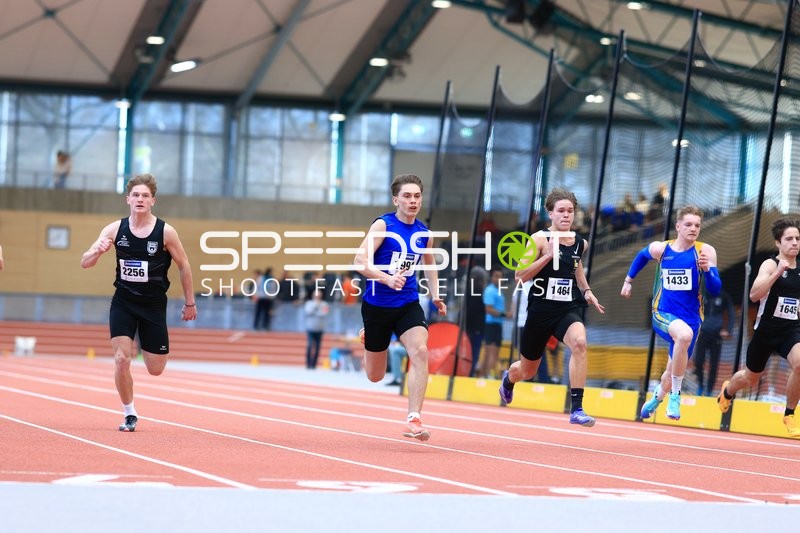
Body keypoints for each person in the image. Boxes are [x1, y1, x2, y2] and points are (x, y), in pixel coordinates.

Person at [80, 173, 197, 432]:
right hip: (123, 301)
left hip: (153, 305)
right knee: (122, 359)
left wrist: (190, 302)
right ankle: (129, 413)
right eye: (136, 195)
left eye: (145, 195)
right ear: (128, 200)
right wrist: (96, 252)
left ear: (152, 201)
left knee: (156, 368)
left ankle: (152, 348)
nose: (140, 199)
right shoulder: (114, 229)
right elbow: (85, 262)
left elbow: (184, 265)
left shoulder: (165, 232)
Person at [499, 188, 605, 427]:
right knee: (527, 371)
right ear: (551, 213)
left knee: (579, 343)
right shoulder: (538, 239)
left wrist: (587, 291)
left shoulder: (580, 243)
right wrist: (546, 257)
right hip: (540, 311)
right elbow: (520, 275)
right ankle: (508, 379)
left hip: (566, 309)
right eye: (561, 211)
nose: (566, 215)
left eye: (570, 211)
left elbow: (575, 269)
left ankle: (576, 408)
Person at [354, 173, 446, 441]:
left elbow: (429, 264)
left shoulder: (424, 233)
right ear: (396, 199)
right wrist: (386, 278)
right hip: (377, 306)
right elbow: (360, 261)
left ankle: (414, 417)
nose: (413, 200)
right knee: (375, 375)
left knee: (419, 351)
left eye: (417, 196)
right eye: (407, 196)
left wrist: (437, 295)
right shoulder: (383, 226)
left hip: (408, 303)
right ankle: (368, 337)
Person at [622, 205, 721, 421]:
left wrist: (707, 271)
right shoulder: (662, 249)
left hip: (692, 320)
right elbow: (641, 255)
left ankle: (657, 398)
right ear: (678, 226)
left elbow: (715, 290)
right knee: (683, 336)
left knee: (671, 370)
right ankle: (676, 396)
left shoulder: (705, 251)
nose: (693, 228)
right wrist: (628, 281)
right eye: (688, 224)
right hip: (663, 313)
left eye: (697, 225)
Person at [717, 219, 800, 439]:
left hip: (791, 331)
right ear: (778, 243)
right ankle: (728, 390)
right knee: (750, 378)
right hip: (765, 332)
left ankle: (790, 414)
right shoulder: (770, 265)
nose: (794, 243)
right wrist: (777, 273)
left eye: (798, 239)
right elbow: (754, 295)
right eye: (789, 239)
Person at [693, 288, 735, 396]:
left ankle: (709, 390)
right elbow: (693, 309)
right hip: (703, 333)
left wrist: (728, 330)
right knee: (698, 361)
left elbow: (731, 312)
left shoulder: (723, 296)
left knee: (714, 364)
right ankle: (701, 385)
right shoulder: (703, 294)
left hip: (716, 335)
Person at [512, 278, 551, 383]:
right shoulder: (538, 286)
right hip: (532, 324)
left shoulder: (519, 287)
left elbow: (513, 309)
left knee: (524, 355)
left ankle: (528, 379)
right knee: (539, 354)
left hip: (520, 324)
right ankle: (543, 379)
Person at [480, 268, 506, 378]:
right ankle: (488, 375)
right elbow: (488, 309)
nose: (498, 279)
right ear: (492, 277)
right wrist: (504, 314)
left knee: (490, 352)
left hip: (496, 325)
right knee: (492, 352)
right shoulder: (490, 290)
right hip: (491, 324)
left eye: (500, 276)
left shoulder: (498, 291)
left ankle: (484, 375)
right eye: (496, 276)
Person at [303, 289, 329, 369]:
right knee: (310, 346)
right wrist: (316, 305)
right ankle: (308, 364)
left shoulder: (325, 304)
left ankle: (314, 365)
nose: (317, 297)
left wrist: (316, 312)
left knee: (318, 347)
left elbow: (324, 313)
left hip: (320, 328)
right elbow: (308, 312)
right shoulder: (309, 303)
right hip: (310, 328)